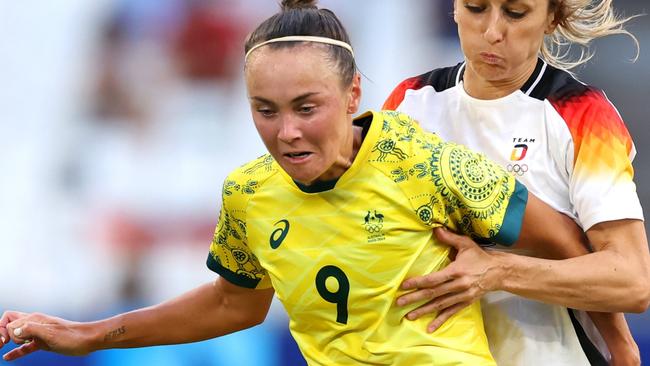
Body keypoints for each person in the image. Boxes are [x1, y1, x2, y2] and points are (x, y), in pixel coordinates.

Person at [0, 0, 608, 365]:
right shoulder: (249, 193)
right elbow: (233, 302)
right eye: (265, 110)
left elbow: (572, 248)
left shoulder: (426, 163)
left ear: (352, 95)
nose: (287, 132)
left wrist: (616, 347)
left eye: (306, 107)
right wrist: (86, 334)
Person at [383, 0, 650, 365]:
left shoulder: (581, 113)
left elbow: (632, 281)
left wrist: (498, 271)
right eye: (476, 8)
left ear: (551, 17)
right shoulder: (409, 102)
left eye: (515, 13)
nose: (492, 32)